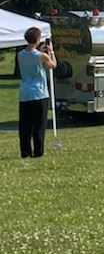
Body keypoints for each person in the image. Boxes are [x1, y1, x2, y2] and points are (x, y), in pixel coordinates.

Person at [17, 27, 57, 158]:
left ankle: (25, 151)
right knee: (39, 125)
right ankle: (38, 152)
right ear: (38, 39)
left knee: (25, 126)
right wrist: (51, 51)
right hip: (39, 93)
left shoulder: (20, 54)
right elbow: (53, 65)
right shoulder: (42, 55)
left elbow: (31, 55)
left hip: (25, 92)